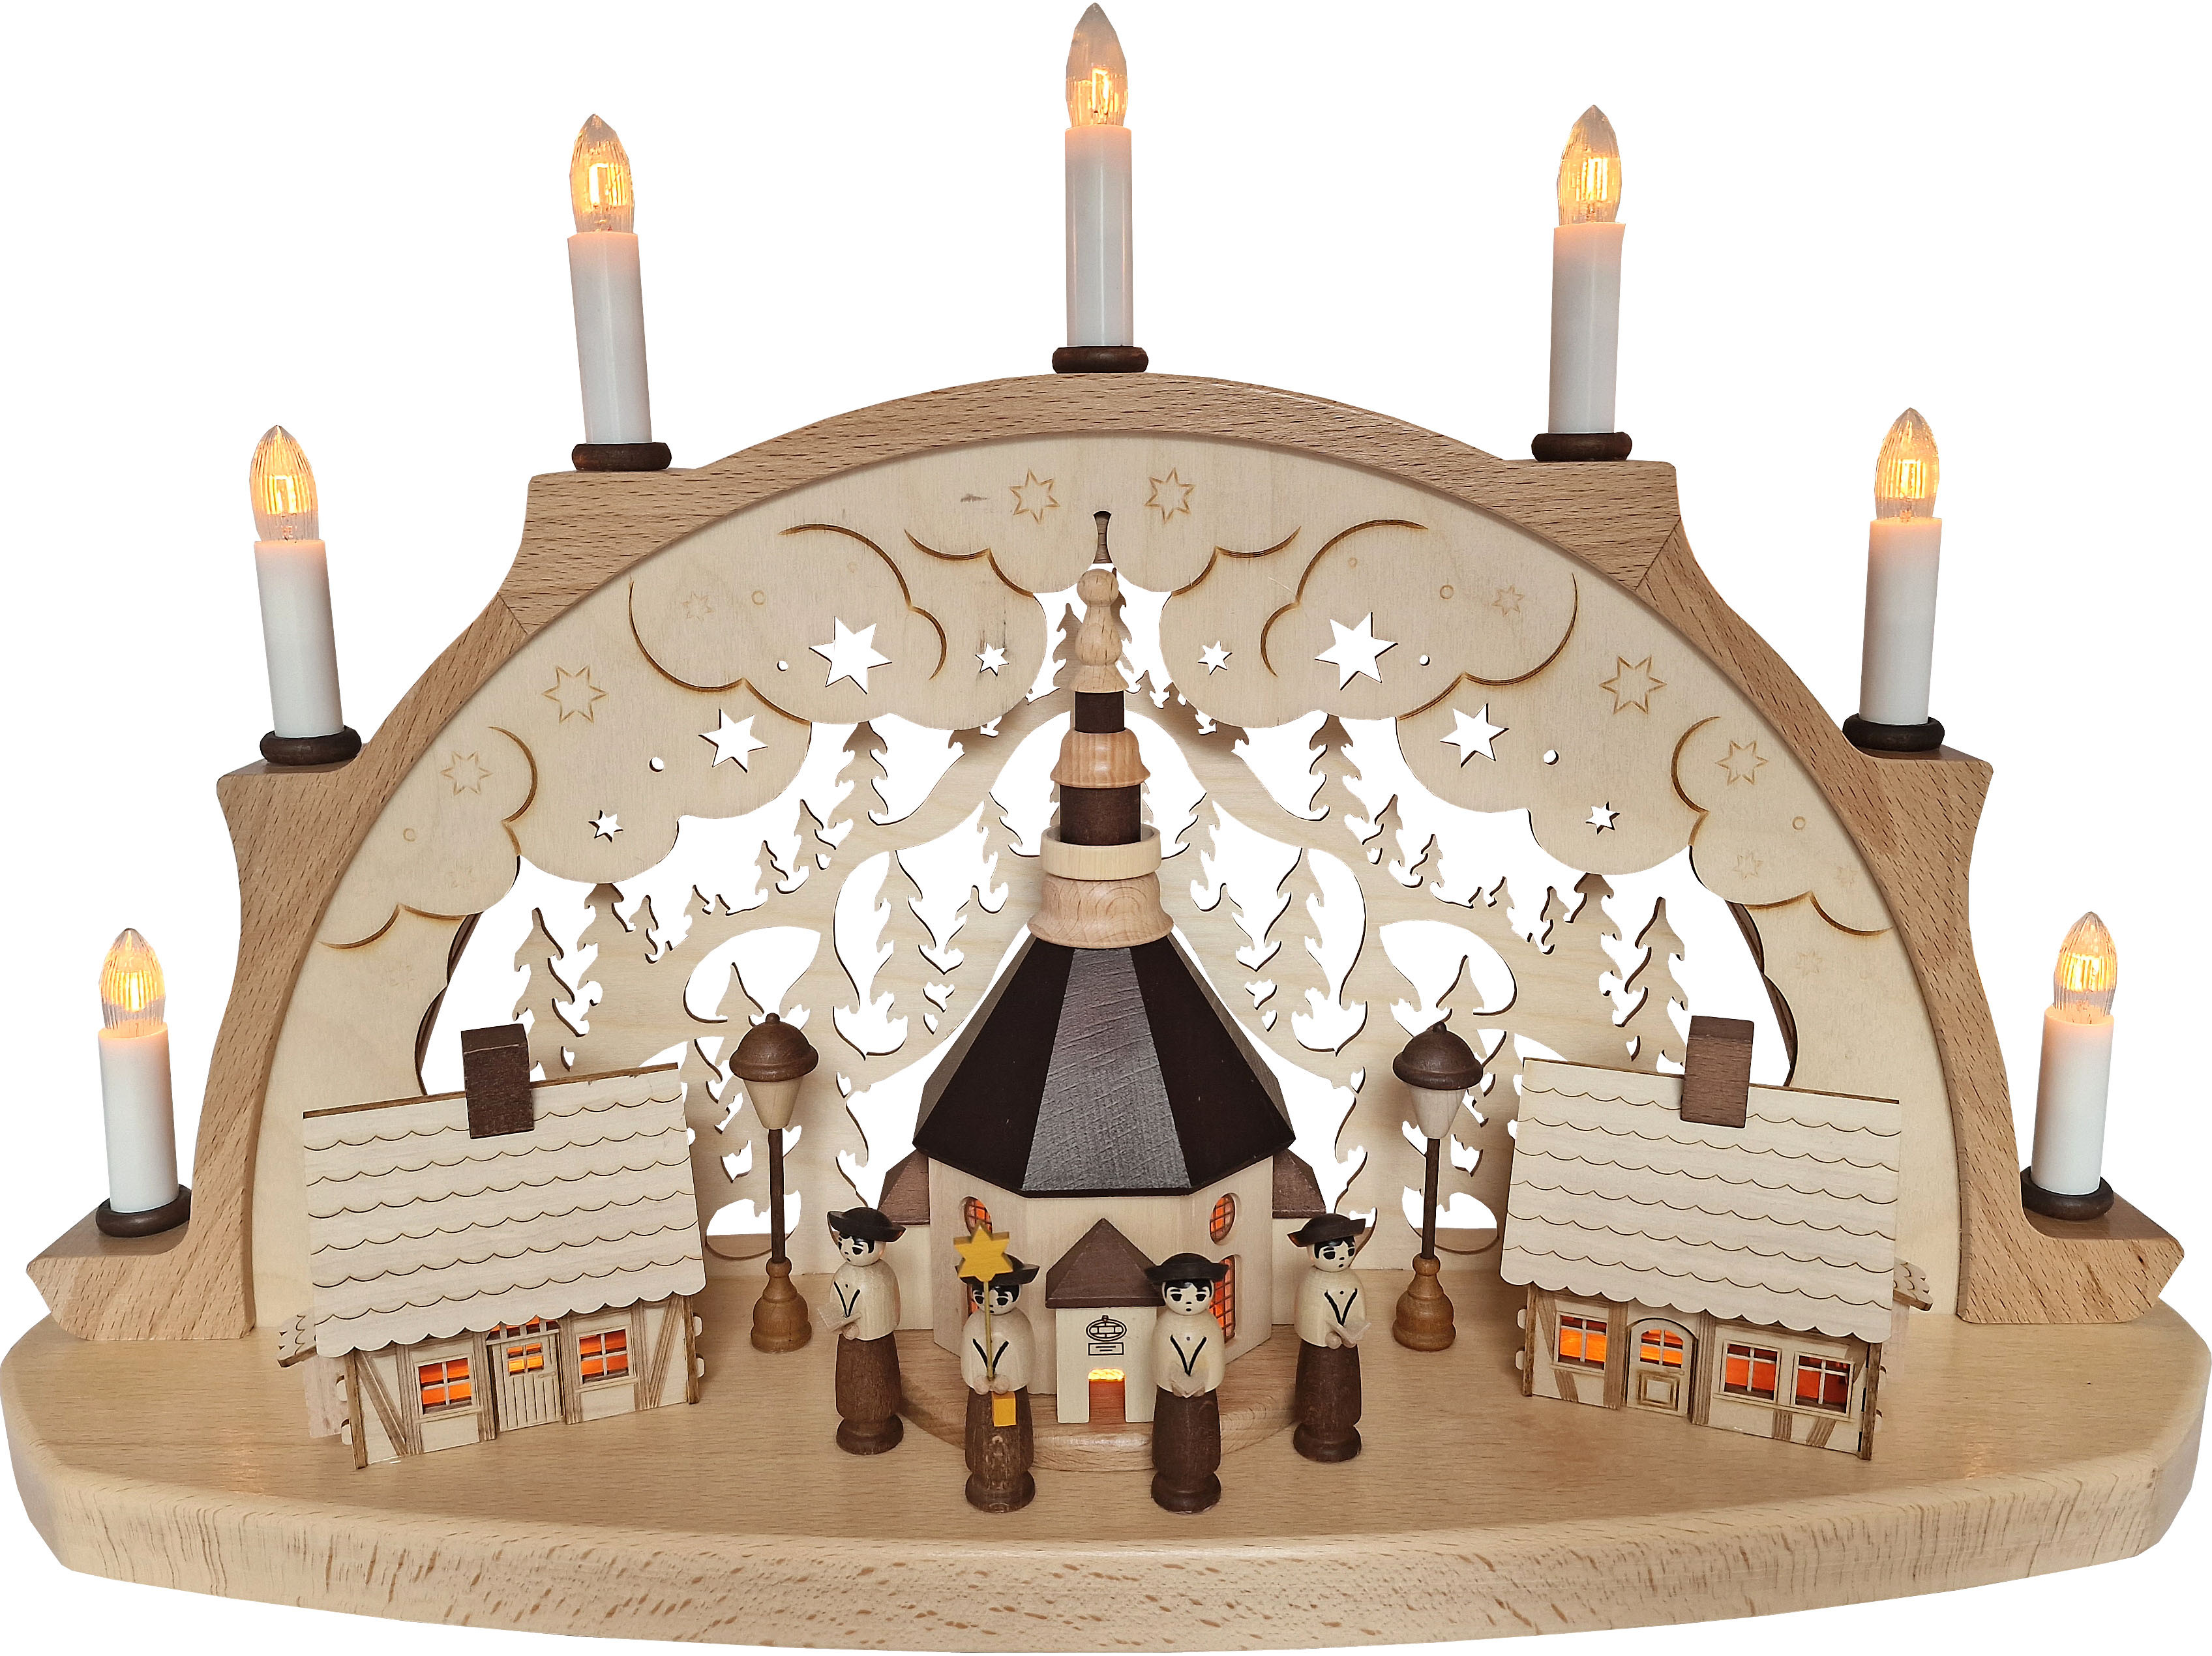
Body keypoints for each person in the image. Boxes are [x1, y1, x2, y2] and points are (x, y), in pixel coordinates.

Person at [1144, 1252, 1228, 1513]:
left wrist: (1205, 1381)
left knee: (1203, 1440)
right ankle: (1172, 1477)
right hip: (1172, 1399)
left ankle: (1202, 1476)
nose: (1189, 1301)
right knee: (1171, 1440)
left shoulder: (1209, 1325)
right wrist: (1173, 1380)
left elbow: (1214, 1359)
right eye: (1179, 1295)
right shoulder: (1165, 1325)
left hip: (1203, 1398)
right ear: (1165, 1293)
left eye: (1199, 1295)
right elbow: (1161, 1359)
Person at [958, 1255, 1040, 1511]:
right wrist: (977, 1379)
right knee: (981, 1438)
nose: (992, 1300)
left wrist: (1010, 1380)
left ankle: (1013, 1474)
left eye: (1001, 1294)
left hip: (1012, 1397)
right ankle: (983, 1475)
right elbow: (969, 1358)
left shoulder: (1019, 1324)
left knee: (1013, 1439)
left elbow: (1025, 1359)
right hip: (981, 1397)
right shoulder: (974, 1324)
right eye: (983, 1293)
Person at [1289, 1213, 1369, 1461]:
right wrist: (1324, 1337)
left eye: (1348, 1250)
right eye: (1332, 1253)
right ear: (1313, 1253)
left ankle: (1344, 1426)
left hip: (1346, 1353)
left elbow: (1359, 1310)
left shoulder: (1352, 1280)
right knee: (1317, 1393)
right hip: (1319, 1356)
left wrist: (1355, 1331)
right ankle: (1315, 1427)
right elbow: (1307, 1317)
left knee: (1346, 1392)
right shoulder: (1312, 1283)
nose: (1342, 1257)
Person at [824, 1206, 905, 1453]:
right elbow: (834, 1303)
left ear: (878, 1246)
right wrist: (840, 1322)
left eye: (857, 1246)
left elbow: (888, 1315)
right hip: (850, 1346)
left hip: (875, 1346)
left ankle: (880, 1419)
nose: (848, 1250)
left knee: (877, 1385)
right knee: (851, 1387)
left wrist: (861, 1330)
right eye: (843, 1243)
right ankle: (855, 1419)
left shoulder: (882, 1277)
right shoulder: (842, 1274)